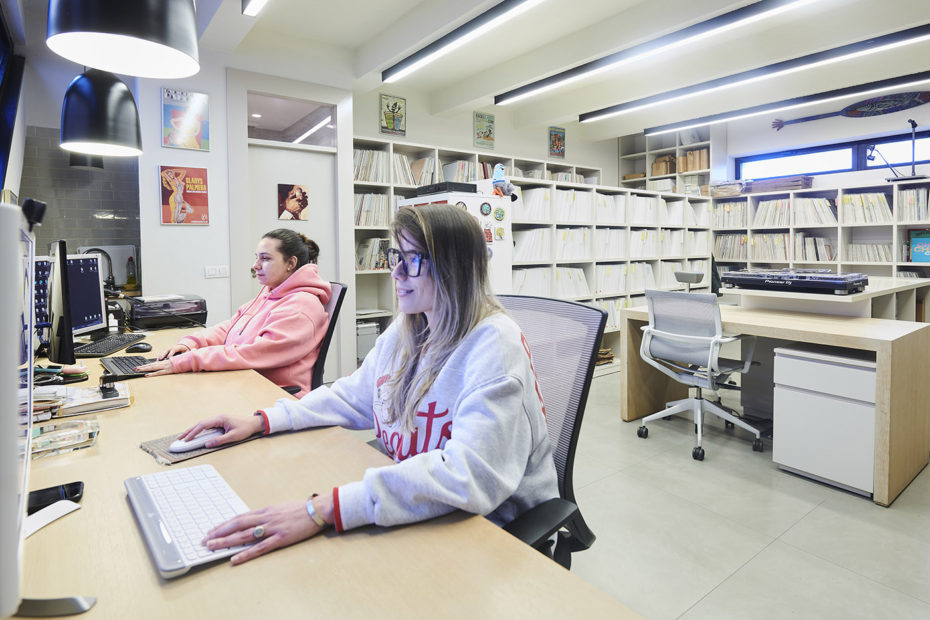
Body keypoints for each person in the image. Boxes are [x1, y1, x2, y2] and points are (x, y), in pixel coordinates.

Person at [178, 203, 558, 565]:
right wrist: (263, 420)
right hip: (425, 506)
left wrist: (323, 508)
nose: (396, 273)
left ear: (452, 269)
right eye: (397, 258)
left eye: (412, 261)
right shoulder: (409, 328)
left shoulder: (494, 344)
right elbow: (353, 396)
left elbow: (468, 477)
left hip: (493, 530)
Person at [136, 229, 331, 397]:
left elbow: (254, 353)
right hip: (246, 380)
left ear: (291, 263)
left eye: (265, 258)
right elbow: (229, 328)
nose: (256, 265)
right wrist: (189, 344)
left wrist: (189, 361)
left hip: (274, 394)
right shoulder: (270, 292)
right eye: (257, 257)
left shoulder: (302, 306)